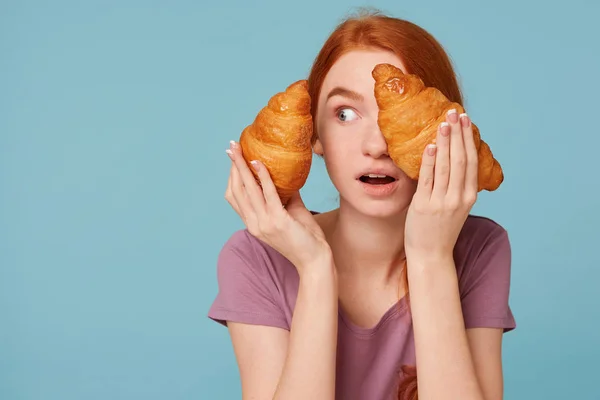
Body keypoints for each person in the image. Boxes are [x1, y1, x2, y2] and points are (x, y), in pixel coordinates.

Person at [208, 9, 516, 400]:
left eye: (394, 114)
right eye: (345, 114)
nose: (377, 146)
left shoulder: (477, 248)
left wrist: (431, 258)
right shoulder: (257, 259)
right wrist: (316, 270)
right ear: (313, 137)